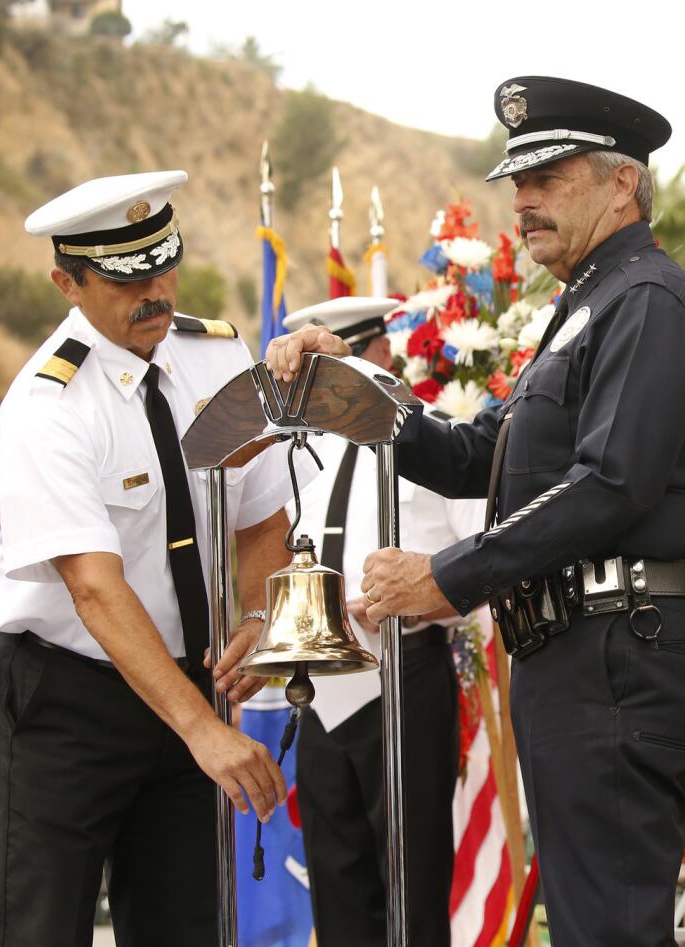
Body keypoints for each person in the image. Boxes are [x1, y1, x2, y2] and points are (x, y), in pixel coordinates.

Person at [268, 76, 685, 947]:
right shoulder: (586, 306)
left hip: (620, 652)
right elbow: (476, 454)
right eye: (517, 182)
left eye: (547, 177)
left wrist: (446, 577)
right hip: (581, 652)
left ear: (622, 181)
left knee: (610, 930)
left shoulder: (648, 300)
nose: (521, 201)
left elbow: (611, 484)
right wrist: (345, 386)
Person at [0, 171, 299, 946]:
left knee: (186, 924)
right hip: (70, 702)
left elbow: (261, 515)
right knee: (39, 926)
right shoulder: (45, 408)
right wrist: (204, 730)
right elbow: (93, 587)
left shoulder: (216, 357)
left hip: (188, 685)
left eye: (163, 266)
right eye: (127, 281)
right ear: (68, 283)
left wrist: (259, 612)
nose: (155, 292)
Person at [282, 296, 481, 946]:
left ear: (382, 354)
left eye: (340, 362)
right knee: (337, 889)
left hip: (403, 674)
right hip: (320, 686)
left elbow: (485, 567)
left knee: (411, 890)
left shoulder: (439, 440)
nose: (328, 383)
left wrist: (423, 592)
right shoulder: (306, 456)